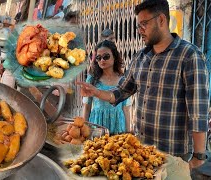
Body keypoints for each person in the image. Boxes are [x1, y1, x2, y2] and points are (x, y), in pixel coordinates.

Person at [78, 0, 209, 170]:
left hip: (173, 153)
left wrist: (199, 156)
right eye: (138, 25)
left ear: (161, 20)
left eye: (144, 24)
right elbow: (121, 92)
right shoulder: (140, 57)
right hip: (142, 149)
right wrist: (96, 92)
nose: (139, 30)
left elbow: (198, 110)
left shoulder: (189, 56)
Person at [83, 40, 131, 134]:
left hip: (118, 126)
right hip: (97, 126)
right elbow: (87, 107)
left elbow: (126, 108)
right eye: (98, 57)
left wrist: (128, 132)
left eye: (106, 57)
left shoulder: (123, 80)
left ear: (114, 57)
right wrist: (84, 130)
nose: (102, 60)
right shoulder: (91, 80)